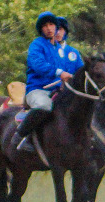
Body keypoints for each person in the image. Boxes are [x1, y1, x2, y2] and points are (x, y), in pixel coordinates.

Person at [15, 11, 83, 152]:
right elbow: (38, 65)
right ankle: (20, 136)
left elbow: (70, 71)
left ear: (57, 27)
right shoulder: (37, 44)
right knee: (44, 105)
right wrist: (60, 73)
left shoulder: (60, 49)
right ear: (41, 29)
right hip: (38, 90)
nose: (49, 28)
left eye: (51, 24)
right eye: (45, 26)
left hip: (56, 91)